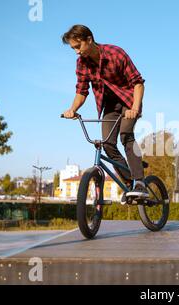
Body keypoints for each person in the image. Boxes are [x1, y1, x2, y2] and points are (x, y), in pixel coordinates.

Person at [61, 24, 148, 202]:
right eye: (73, 49)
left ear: (89, 40)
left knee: (126, 135)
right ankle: (129, 183)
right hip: (109, 105)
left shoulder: (116, 53)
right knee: (107, 144)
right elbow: (81, 91)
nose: (76, 52)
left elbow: (138, 83)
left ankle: (140, 182)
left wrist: (135, 108)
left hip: (129, 101)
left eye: (78, 47)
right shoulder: (81, 63)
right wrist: (72, 110)